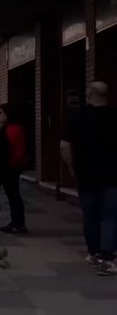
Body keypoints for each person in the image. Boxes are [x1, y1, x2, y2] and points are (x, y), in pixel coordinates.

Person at [61, 82, 117, 274]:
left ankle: (93, 253)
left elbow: (64, 145)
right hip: (112, 175)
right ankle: (107, 257)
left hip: (86, 174)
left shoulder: (78, 117)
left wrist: (71, 168)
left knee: (90, 215)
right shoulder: (114, 116)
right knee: (110, 216)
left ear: (90, 94)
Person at [0, 103, 28, 234]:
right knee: (13, 196)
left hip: (10, 166)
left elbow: (8, 148)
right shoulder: (11, 127)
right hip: (11, 165)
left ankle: (18, 223)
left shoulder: (13, 129)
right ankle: (16, 222)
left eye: (1, 113)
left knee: (13, 195)